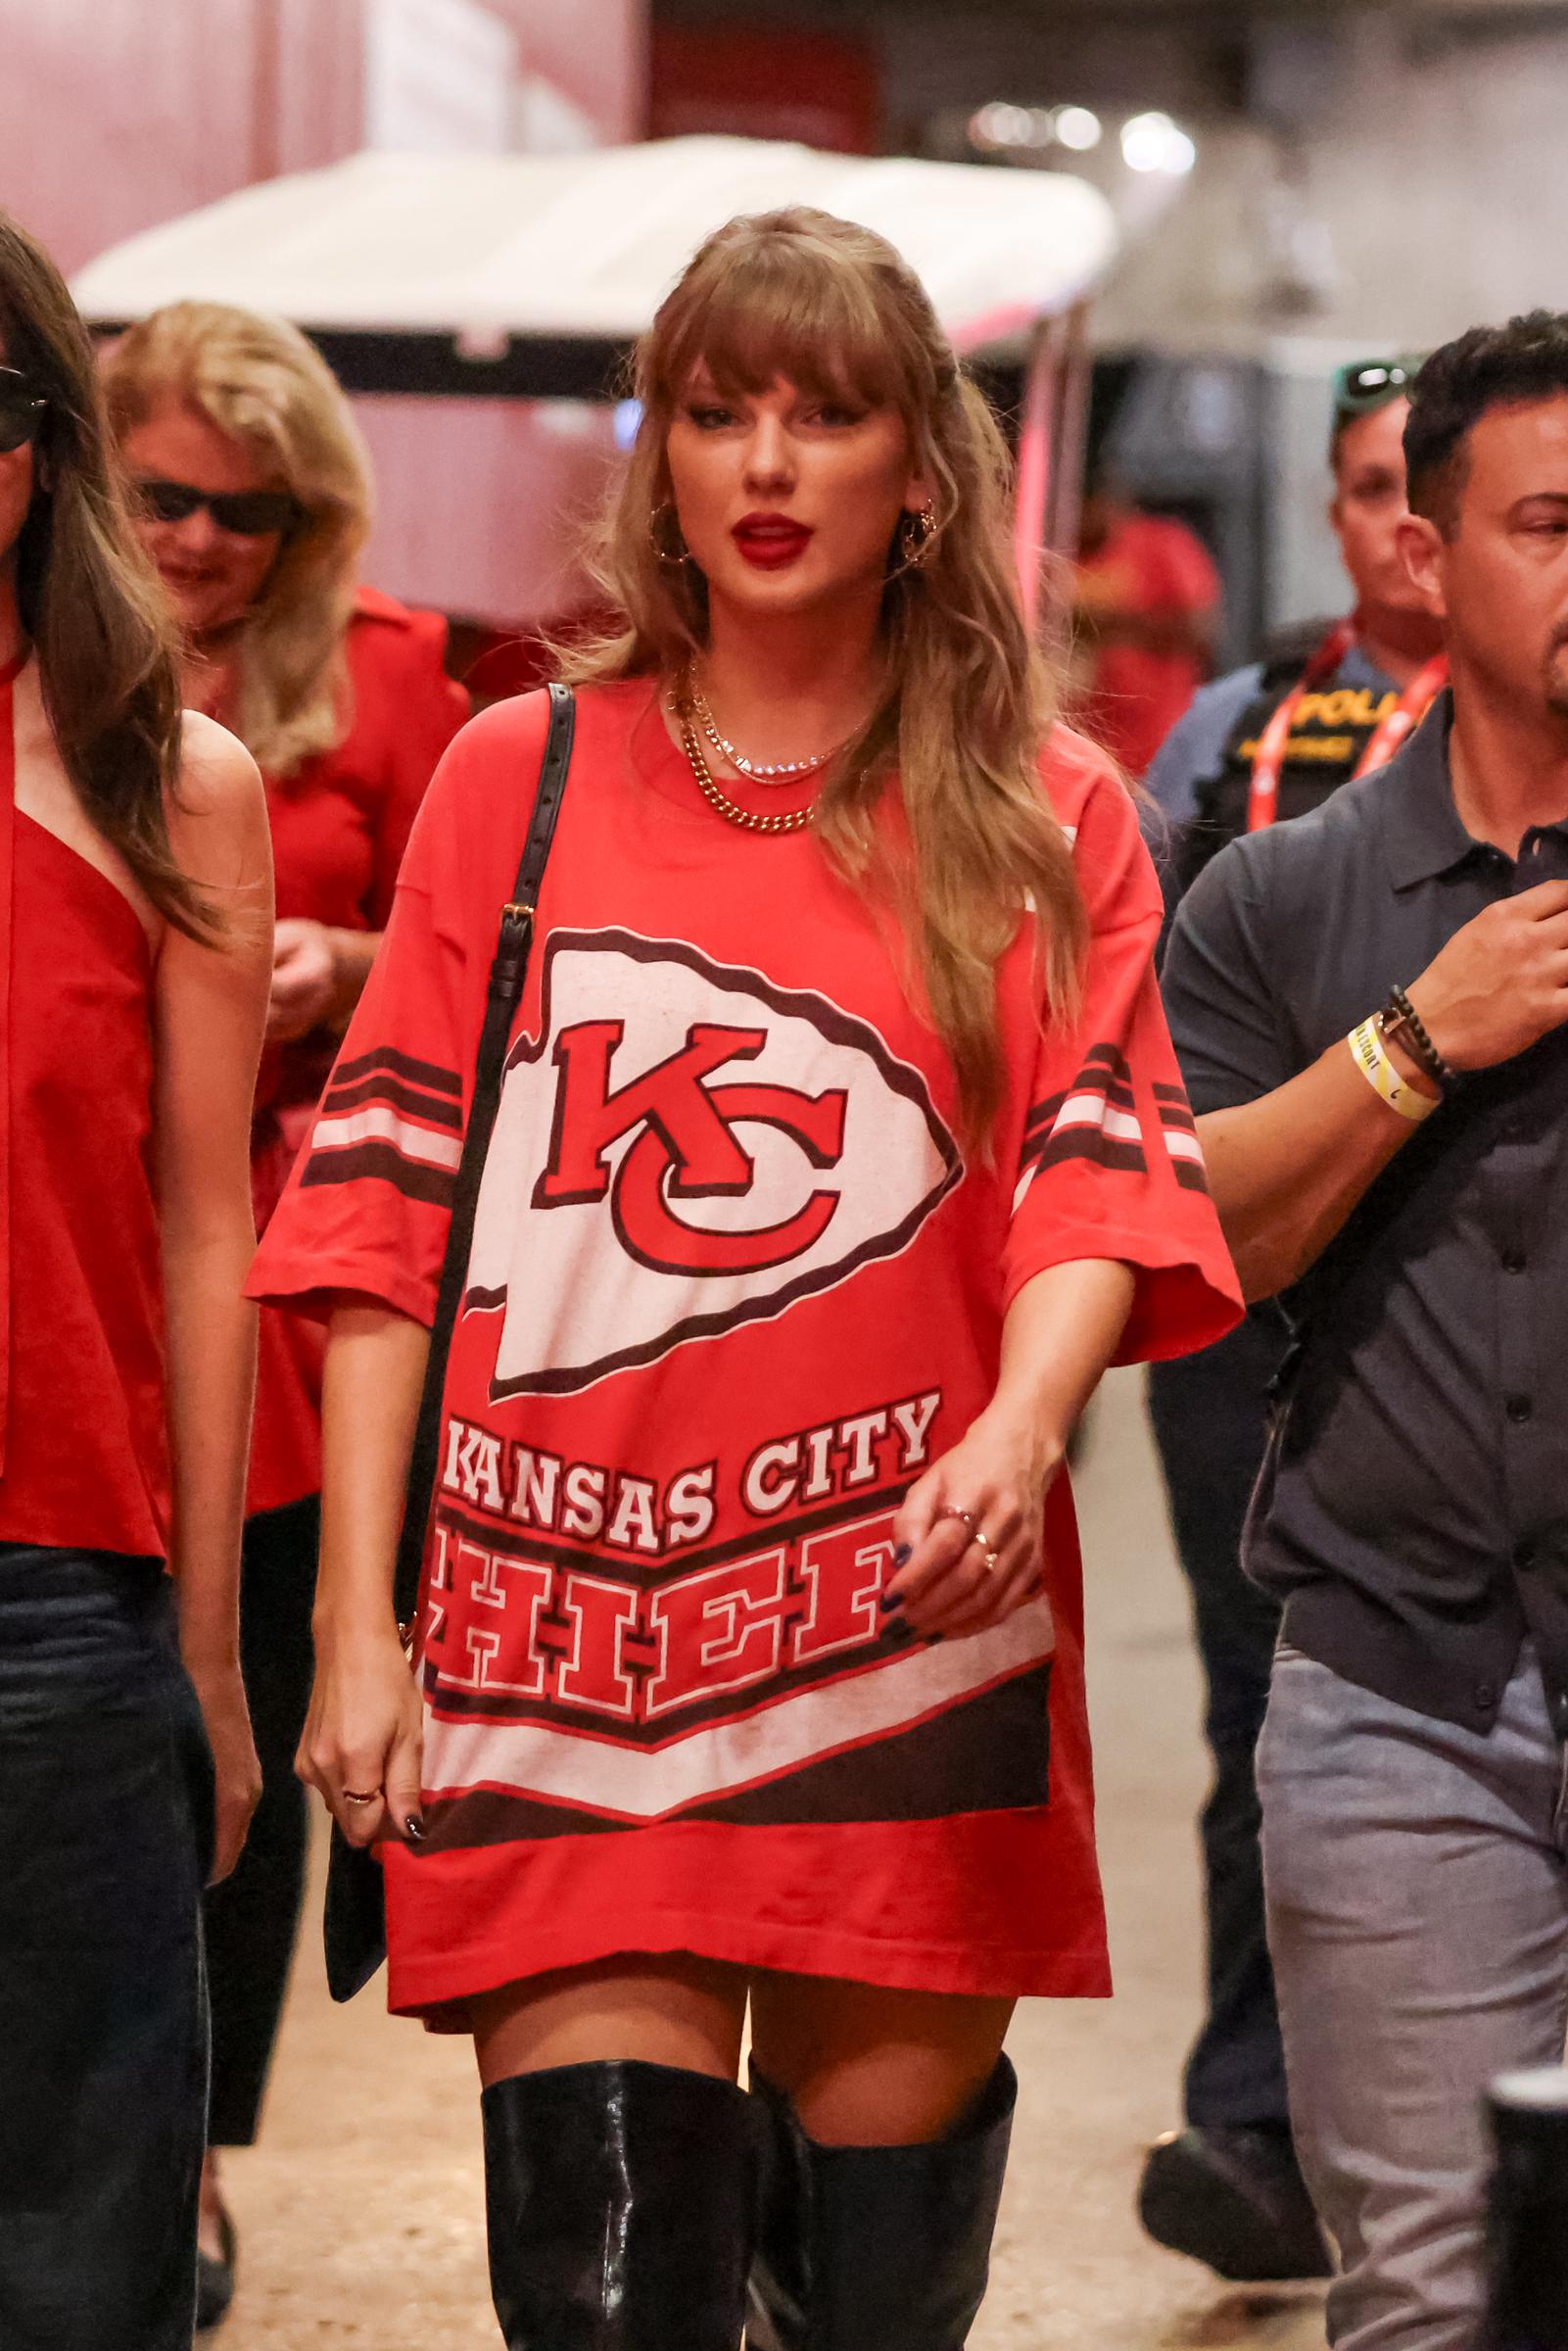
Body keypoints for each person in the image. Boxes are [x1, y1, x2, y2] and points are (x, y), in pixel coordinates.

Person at [249, 206, 1241, 2349]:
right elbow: (377, 1211)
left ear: (919, 468)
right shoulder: (513, 780)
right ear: (664, 464)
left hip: (903, 1625)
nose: (768, 464)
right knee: (600, 2304)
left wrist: (1018, 1418)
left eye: (825, 413)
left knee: (870, 2309)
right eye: (719, 413)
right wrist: (355, 1627)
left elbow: (1098, 1167)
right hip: (550, 1635)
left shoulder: (1036, 807)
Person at [1161, 310, 1568, 2351]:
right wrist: (1422, 1036)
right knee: (1426, 2299)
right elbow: (1199, 1247)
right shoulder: (1270, 898)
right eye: (1551, 526)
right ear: (1422, 550)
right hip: (1396, 1701)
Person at [101, 301, 468, 2328]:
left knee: (217, 1735)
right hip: (87, 1236)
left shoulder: (398, 676)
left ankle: (204, 2153)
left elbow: (462, 951)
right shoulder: (61, 663)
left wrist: (331, 962)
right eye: (164, 493)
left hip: (302, 1262)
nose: (204, 537)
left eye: (250, 507)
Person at [1134, 359, 1449, 2282]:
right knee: (1264, 1704)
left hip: (1473, 1290)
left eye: (1424, 484)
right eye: (1359, 486)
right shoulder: (1231, 732)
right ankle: (1254, 2126)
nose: (1391, 521)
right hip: (1245, 1288)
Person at [0, 216, 271, 2349]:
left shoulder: (160, 783)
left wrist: (209, 1654)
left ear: (28, 456)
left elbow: (206, 1222)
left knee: (86, 2238)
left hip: (56, 1598)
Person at [1071, 475, 1220, 780]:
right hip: (1088, 756)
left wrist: (1102, 622)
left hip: (1161, 750)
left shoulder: (1159, 541)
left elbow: (1200, 629)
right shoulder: (1057, 554)